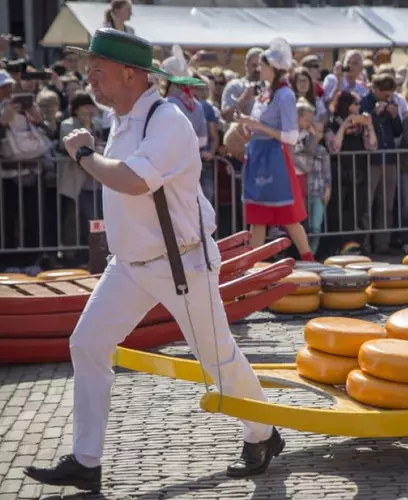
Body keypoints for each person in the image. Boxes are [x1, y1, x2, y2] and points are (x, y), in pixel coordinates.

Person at [23, 29, 284, 493]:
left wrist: (83, 152)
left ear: (130, 74)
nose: (90, 80)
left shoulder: (168, 121)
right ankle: (86, 461)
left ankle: (262, 433)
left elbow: (132, 181)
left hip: (182, 262)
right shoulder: (123, 118)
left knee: (216, 358)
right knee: (87, 343)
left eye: (98, 71)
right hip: (130, 265)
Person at [237, 38, 314, 262]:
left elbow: (291, 136)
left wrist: (259, 126)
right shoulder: (265, 93)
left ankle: (310, 262)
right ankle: (252, 269)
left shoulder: (285, 95)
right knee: (258, 218)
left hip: (275, 160)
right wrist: (247, 126)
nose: (259, 69)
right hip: (258, 157)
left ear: (273, 68)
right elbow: (262, 128)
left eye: (262, 65)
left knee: (289, 216)